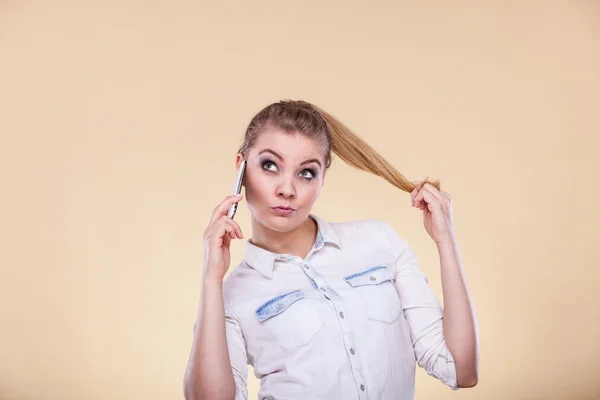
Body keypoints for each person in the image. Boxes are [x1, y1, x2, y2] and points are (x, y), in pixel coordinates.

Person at [183, 100, 479, 400]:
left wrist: (445, 242)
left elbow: (460, 369)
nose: (287, 189)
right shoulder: (233, 296)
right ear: (242, 169)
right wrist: (211, 280)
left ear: (323, 178)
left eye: (306, 172)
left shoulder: (379, 241)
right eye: (270, 166)